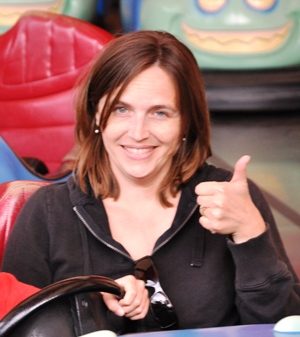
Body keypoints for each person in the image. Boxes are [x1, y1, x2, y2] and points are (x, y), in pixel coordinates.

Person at [2, 31, 300, 333]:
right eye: (121, 109)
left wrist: (251, 236)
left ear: (186, 121)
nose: (138, 132)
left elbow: (283, 326)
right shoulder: (49, 213)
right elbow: (14, 326)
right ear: (95, 115)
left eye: (160, 113)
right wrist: (86, 302)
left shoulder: (232, 200)